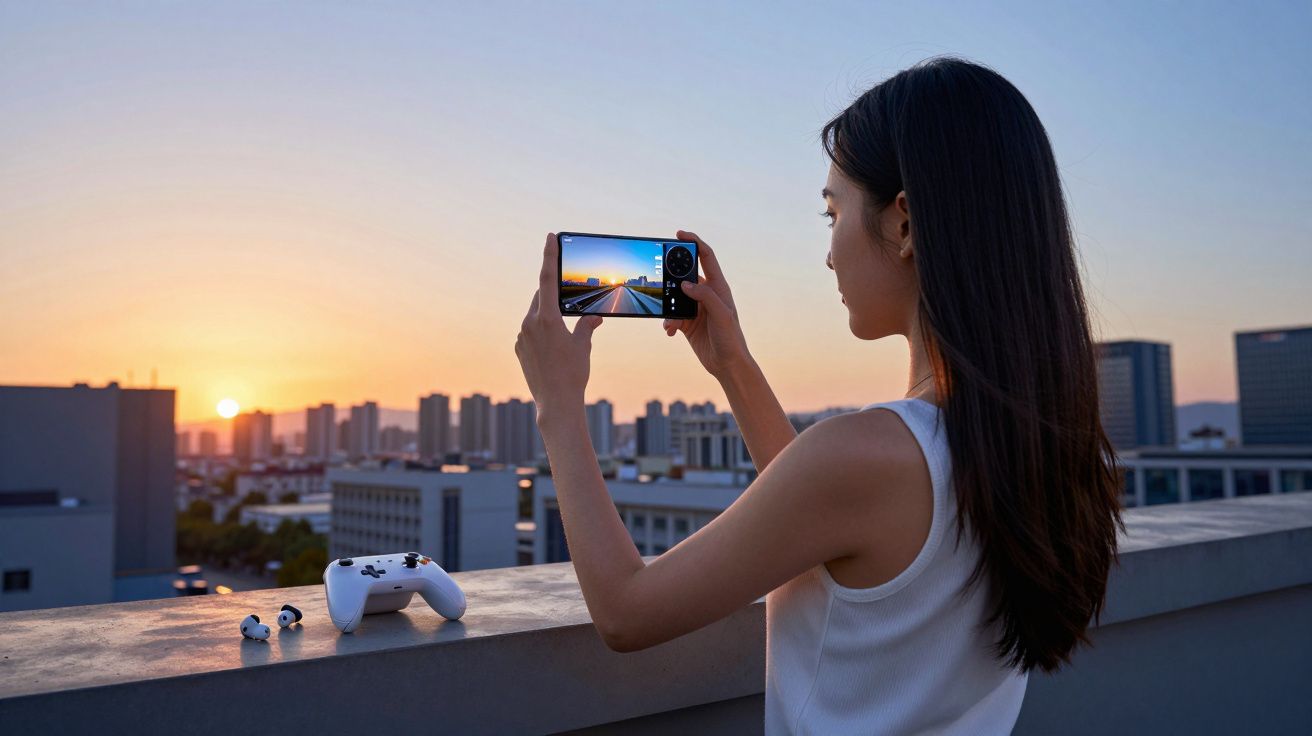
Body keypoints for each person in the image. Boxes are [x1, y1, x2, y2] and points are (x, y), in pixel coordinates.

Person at [515, 55, 1124, 735]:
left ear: (904, 225)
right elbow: (824, 518)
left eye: (832, 212)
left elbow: (626, 613)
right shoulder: (1037, 449)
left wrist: (559, 408)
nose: (830, 253)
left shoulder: (871, 456)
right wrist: (734, 366)